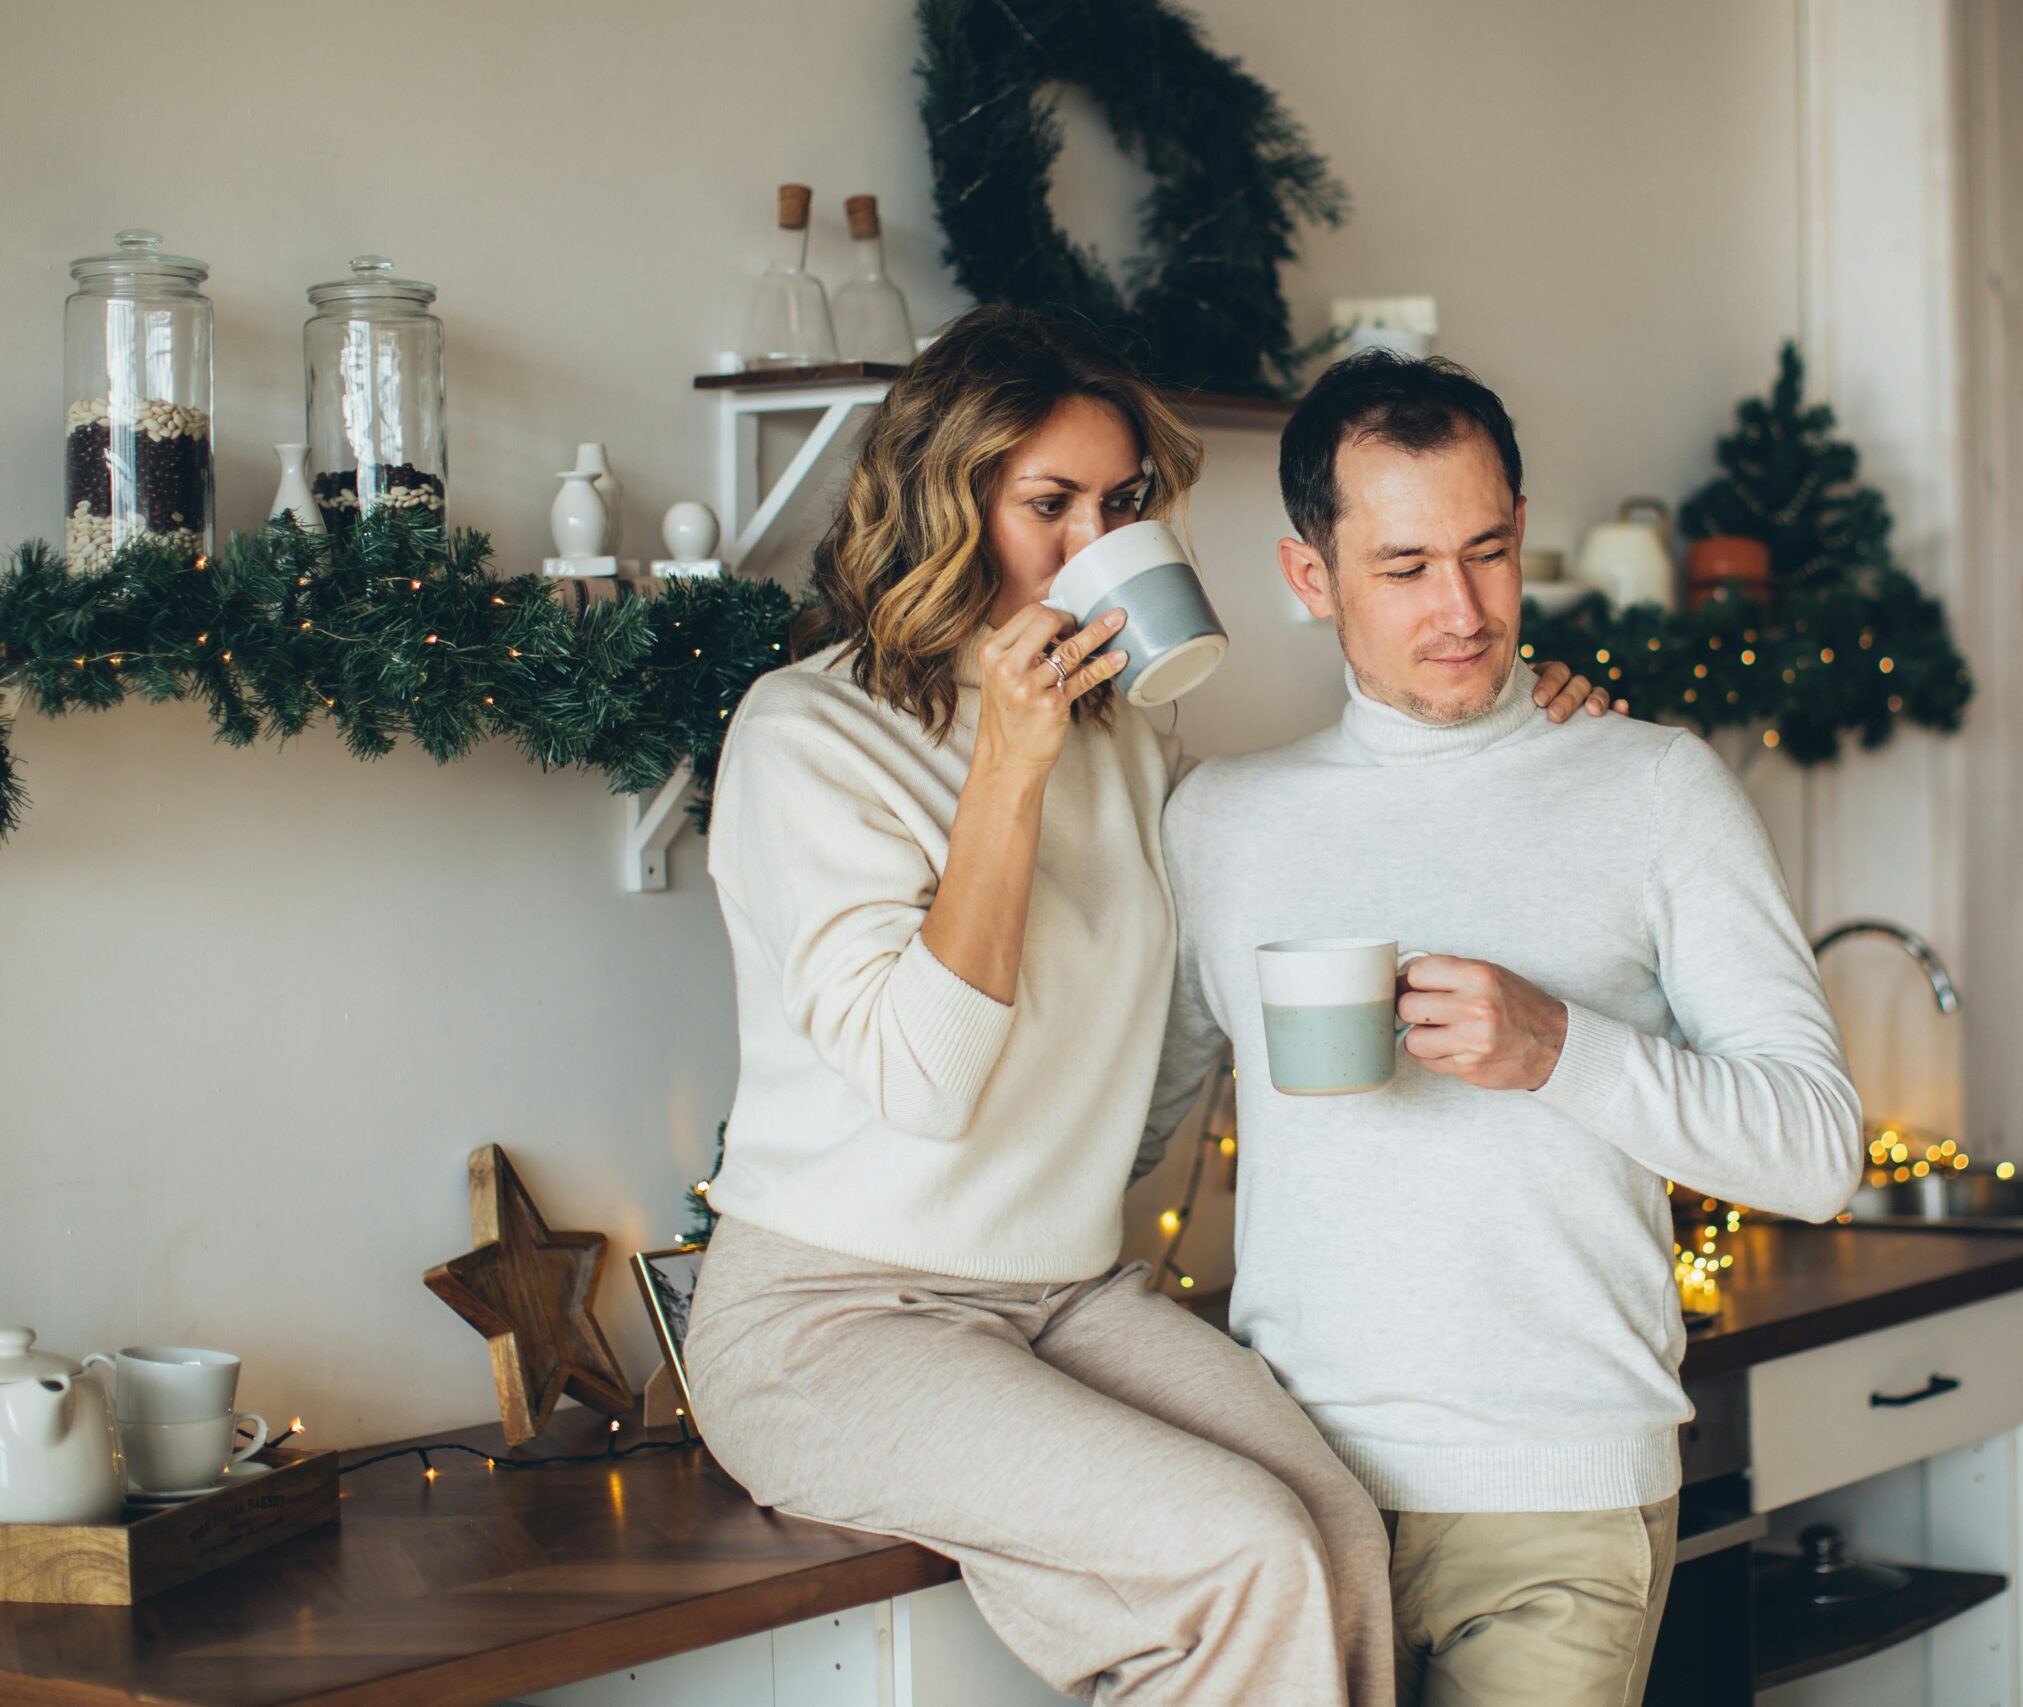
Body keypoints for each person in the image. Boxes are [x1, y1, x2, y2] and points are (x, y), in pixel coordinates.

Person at [681, 306, 1616, 1707]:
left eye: (1122, 506)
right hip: (831, 1320)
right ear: (948, 506)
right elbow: (925, 1083)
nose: (1093, 545)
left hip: (1059, 1292)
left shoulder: (1132, 742)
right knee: (1246, 1553)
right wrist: (1006, 765)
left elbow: (1291, 859)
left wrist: (1510, 736)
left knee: (1340, 1533)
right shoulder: (806, 734)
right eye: (1047, 505)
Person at [1145, 351, 1865, 1707]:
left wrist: (1561, 1051)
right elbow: (1124, 1136)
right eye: (1406, 566)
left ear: (1523, 530)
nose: (1464, 610)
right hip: (1293, 1503)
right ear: (1313, 579)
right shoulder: (1220, 822)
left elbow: (1819, 1152)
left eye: (1486, 551)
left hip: (1560, 1504)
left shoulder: (1654, 785)